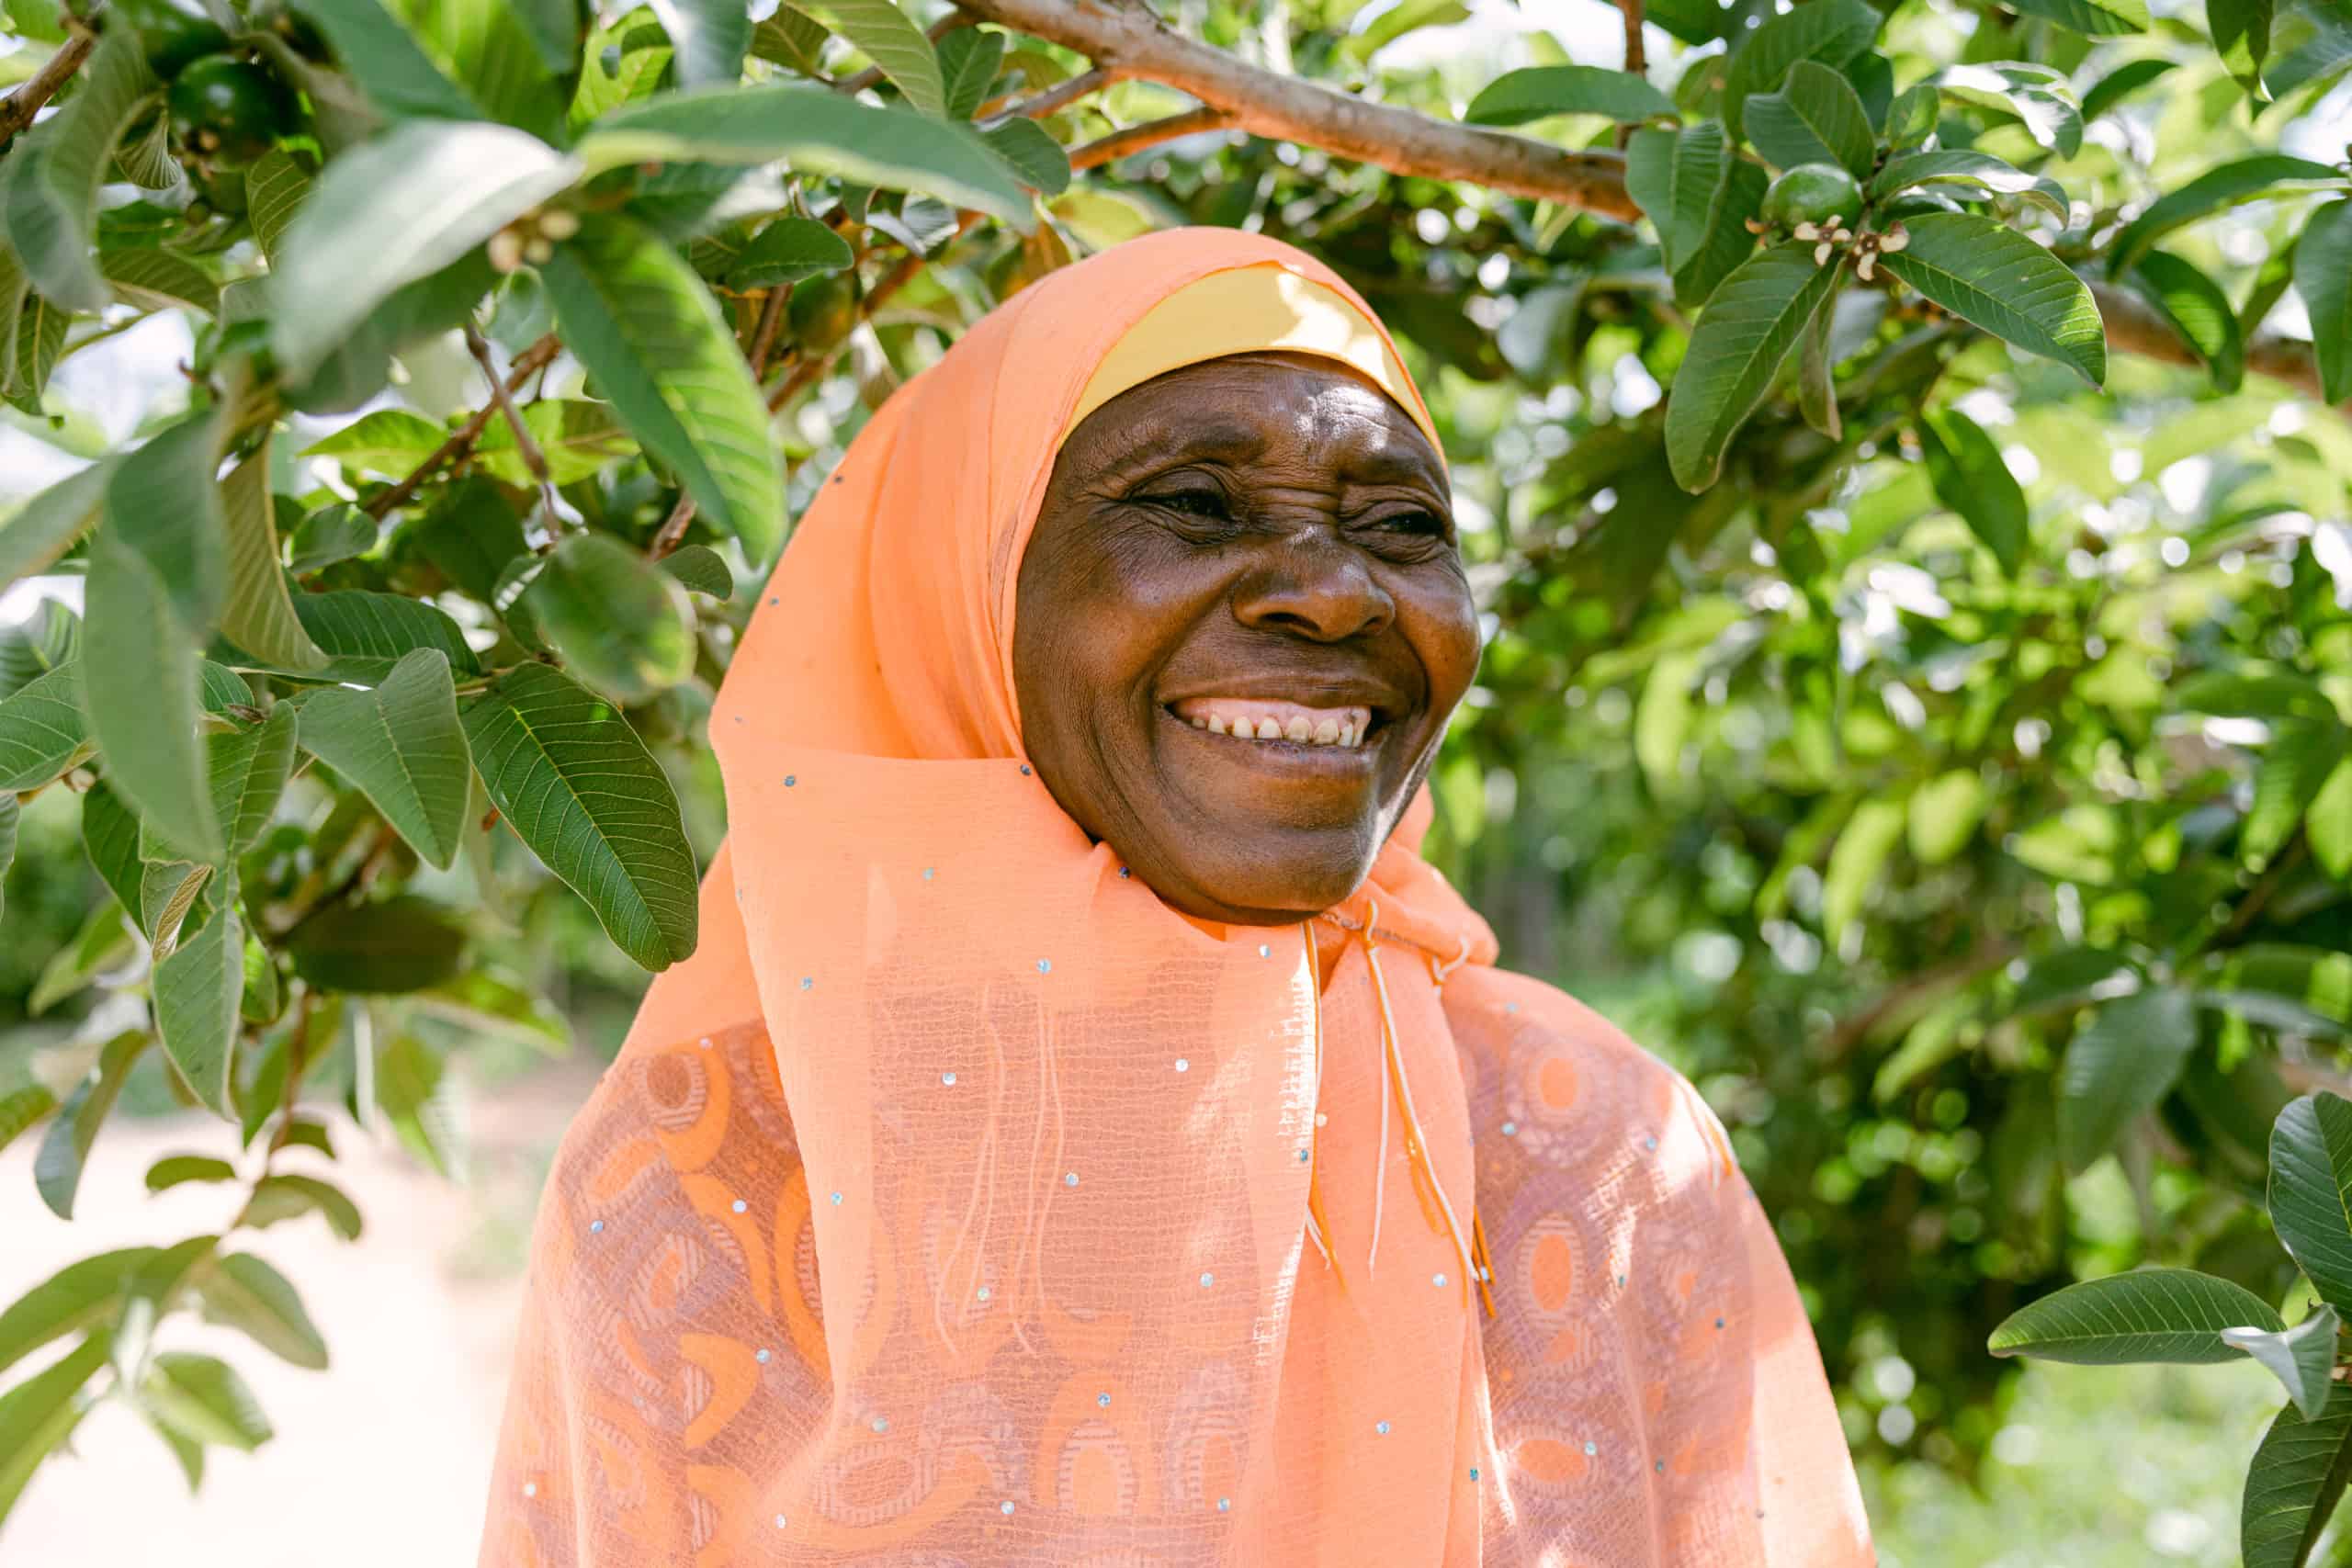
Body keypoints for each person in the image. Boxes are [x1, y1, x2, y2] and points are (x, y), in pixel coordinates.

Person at [476, 228, 1872, 1567]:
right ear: (968, 591)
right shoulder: (710, 1174)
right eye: (1195, 504)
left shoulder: (1595, 1146)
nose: (1333, 595)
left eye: (1400, 525)